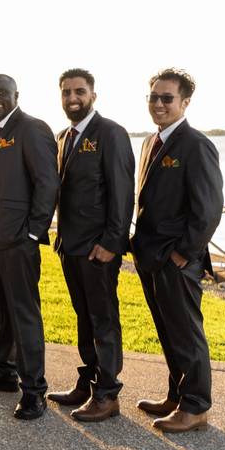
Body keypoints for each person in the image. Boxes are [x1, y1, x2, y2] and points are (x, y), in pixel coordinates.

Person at [130, 68, 223, 433]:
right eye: (153, 97)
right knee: (168, 331)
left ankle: (196, 405)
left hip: (176, 259)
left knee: (186, 333)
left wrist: (183, 253)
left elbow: (209, 208)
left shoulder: (197, 145)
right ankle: (177, 396)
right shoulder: (148, 143)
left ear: (184, 102)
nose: (158, 104)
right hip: (150, 255)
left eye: (167, 98)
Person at [0, 74, 58, 420]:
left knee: (24, 313)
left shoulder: (32, 129)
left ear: (16, 95)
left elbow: (48, 183)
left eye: (2, 93)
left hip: (18, 239)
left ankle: (34, 390)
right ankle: (2, 370)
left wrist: (34, 232)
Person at [47, 69, 134, 422]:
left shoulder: (111, 133)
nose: (72, 98)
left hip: (98, 248)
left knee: (103, 319)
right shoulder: (63, 136)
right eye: (66, 92)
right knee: (84, 317)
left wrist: (112, 242)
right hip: (70, 246)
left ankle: (108, 393)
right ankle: (89, 381)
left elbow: (123, 192)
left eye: (79, 91)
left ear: (93, 95)